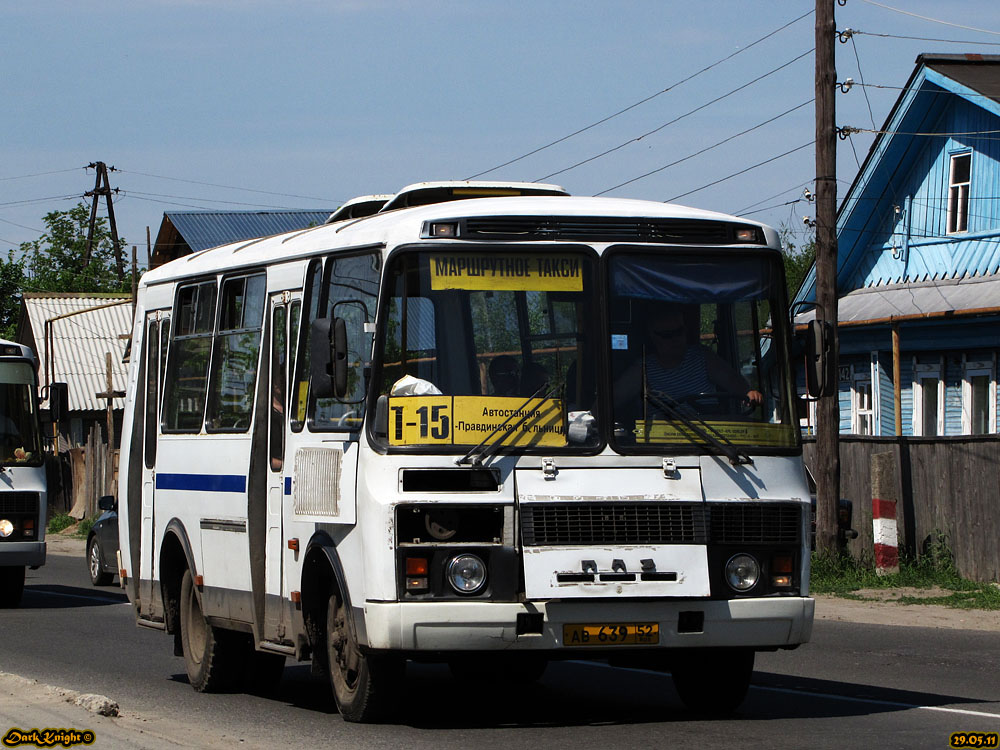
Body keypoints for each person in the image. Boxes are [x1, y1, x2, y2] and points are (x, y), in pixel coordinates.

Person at [615, 304, 763, 418]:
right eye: (667, 335)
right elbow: (608, 404)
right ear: (652, 337)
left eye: (679, 332)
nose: (675, 340)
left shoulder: (702, 357)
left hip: (713, 442)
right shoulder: (642, 369)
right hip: (661, 447)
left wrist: (749, 392)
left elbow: (732, 379)